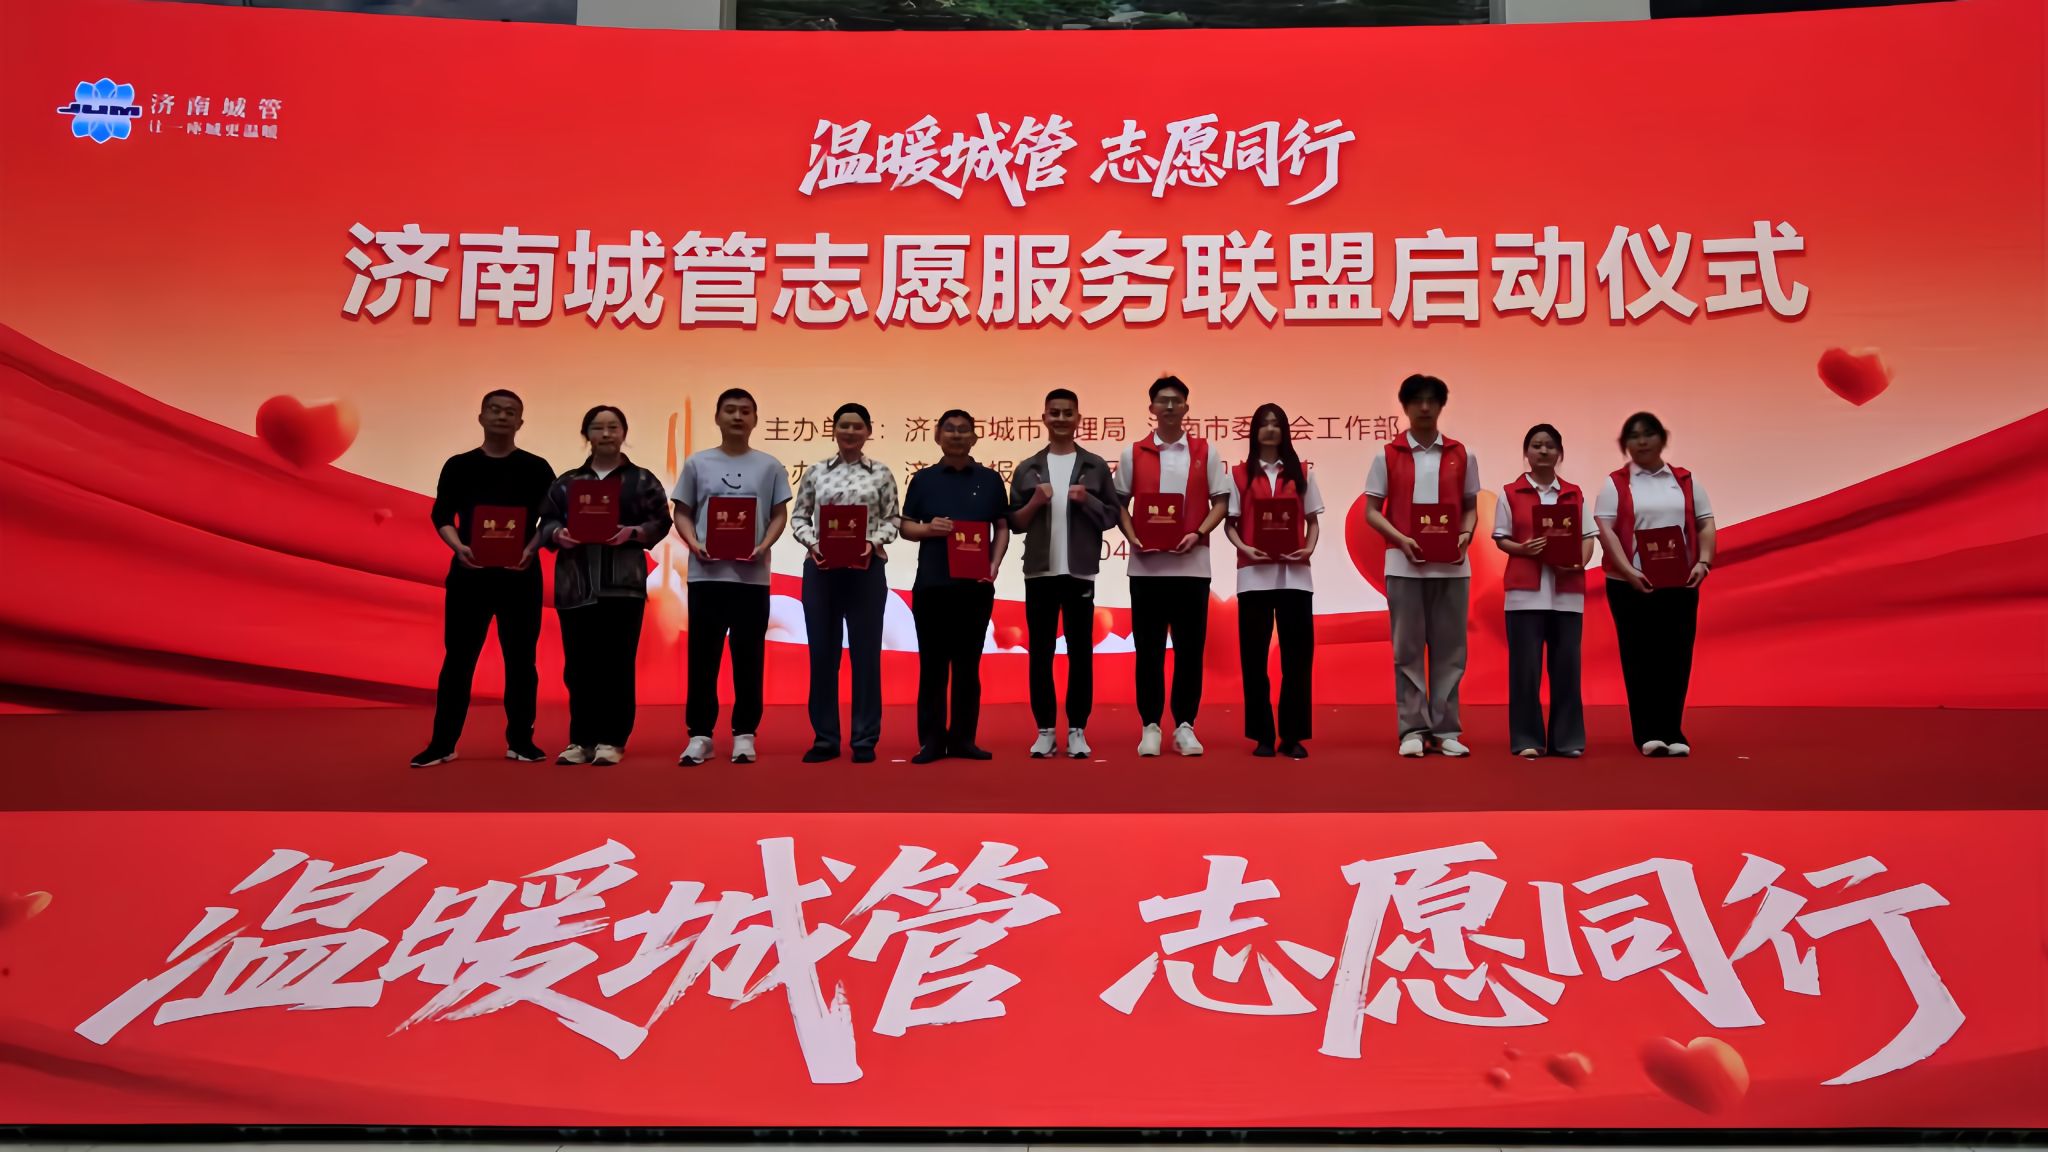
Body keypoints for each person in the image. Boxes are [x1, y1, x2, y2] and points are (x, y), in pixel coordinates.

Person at [412, 389, 556, 768]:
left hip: (520, 577)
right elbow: (442, 514)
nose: (502, 416)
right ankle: (442, 743)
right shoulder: (459, 466)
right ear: (481, 417)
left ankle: (521, 741)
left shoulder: (536, 468)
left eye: (510, 412)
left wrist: (531, 549)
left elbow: (553, 518)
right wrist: (458, 547)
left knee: (521, 662)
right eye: (494, 409)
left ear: (520, 422)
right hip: (469, 576)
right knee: (458, 660)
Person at [538, 406, 673, 766]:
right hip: (575, 585)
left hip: (623, 586)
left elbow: (662, 521)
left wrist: (634, 533)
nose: (607, 434)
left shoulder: (642, 480)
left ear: (623, 433)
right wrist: (558, 534)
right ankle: (581, 740)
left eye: (614, 427)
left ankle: (612, 739)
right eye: (598, 428)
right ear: (587, 435)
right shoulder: (567, 482)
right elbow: (545, 522)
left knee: (617, 664)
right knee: (578, 667)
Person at [1363, 373, 1481, 758]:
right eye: (1417, 401)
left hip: (1453, 565)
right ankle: (1412, 728)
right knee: (1407, 649)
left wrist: (1466, 534)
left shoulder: (1462, 454)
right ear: (1405, 406)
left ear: (1442, 405)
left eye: (1432, 400)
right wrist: (1400, 538)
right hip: (1404, 565)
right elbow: (1371, 511)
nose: (1425, 408)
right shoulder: (1387, 455)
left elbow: (1470, 508)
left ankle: (1446, 729)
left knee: (1450, 650)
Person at [670, 388, 791, 767]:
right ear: (718, 417)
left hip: (751, 578)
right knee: (702, 657)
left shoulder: (769, 466)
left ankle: (744, 733)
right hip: (706, 575)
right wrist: (693, 544)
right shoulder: (697, 463)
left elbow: (779, 515)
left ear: (755, 419)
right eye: (730, 410)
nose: (738, 417)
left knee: (749, 657)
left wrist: (763, 545)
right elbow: (682, 511)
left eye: (745, 411)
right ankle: (700, 735)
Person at [1115, 376, 1232, 757]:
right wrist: (1132, 535)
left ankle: (1185, 725)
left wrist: (1198, 533)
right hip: (1146, 569)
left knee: (1189, 650)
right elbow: (1118, 503)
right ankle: (1150, 725)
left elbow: (1221, 502)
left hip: (1191, 568)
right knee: (1148, 651)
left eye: (1176, 401)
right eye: (1162, 401)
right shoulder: (1133, 453)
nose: (1169, 407)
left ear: (1186, 408)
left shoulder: (1204, 452)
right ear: (1151, 408)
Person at [1595, 411, 1717, 758]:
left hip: (1679, 582)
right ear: (1625, 444)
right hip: (1630, 585)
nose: (1642, 441)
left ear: (1662, 439)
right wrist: (1629, 572)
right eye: (1633, 436)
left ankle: (1672, 730)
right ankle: (1647, 733)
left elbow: (1706, 523)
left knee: (1676, 655)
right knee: (1639, 657)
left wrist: (1704, 562)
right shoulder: (1615, 483)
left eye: (1648, 434)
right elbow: (1605, 531)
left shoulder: (1685, 480)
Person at [1008, 388, 1120, 760]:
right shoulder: (1028, 467)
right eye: (1054, 413)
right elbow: (1015, 523)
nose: (1060, 419)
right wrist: (1036, 501)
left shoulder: (1095, 466)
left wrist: (1087, 499)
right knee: (1040, 652)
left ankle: (1076, 730)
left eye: (1067, 413)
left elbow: (1111, 517)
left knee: (1080, 652)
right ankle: (1044, 731)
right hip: (1039, 573)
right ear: (1044, 418)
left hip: (1079, 573)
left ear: (1077, 419)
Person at [789, 402, 900, 764]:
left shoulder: (881, 473)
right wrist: (814, 543)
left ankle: (865, 739)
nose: (850, 432)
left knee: (866, 657)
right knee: (823, 656)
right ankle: (825, 739)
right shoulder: (816, 472)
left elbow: (893, 519)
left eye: (857, 426)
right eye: (844, 426)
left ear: (868, 431)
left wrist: (871, 543)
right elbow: (799, 517)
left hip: (866, 571)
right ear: (834, 430)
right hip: (821, 570)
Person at [899, 410, 1010, 764]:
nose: (957, 435)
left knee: (967, 666)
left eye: (964, 430)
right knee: (932, 666)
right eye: (950, 429)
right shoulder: (923, 479)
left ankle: (963, 739)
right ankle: (931, 742)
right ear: (937, 436)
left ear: (974, 437)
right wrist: (928, 529)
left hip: (975, 587)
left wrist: (994, 565)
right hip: (932, 585)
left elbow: (1002, 527)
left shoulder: (990, 480)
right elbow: (905, 526)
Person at [1224, 403, 1323, 759]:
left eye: (1276, 424)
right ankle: (1262, 735)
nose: (1270, 429)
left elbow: (1313, 521)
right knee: (1254, 660)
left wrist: (1308, 549)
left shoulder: (1302, 472)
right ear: (1254, 431)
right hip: (1253, 577)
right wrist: (1245, 548)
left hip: (1296, 576)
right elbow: (1230, 524)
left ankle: (1292, 736)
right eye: (1263, 424)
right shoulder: (1238, 474)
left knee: (1297, 660)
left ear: (1285, 431)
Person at [1491, 424, 1596, 760]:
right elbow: (1501, 538)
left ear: (1559, 453)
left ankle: (1567, 740)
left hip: (1567, 593)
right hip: (1524, 595)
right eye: (1536, 445)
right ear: (1527, 452)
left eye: (1550, 446)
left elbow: (1588, 538)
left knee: (1567, 669)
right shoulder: (1511, 493)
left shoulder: (1574, 493)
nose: (1543, 451)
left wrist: (1577, 564)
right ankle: (1527, 738)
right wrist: (1523, 549)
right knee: (1526, 671)